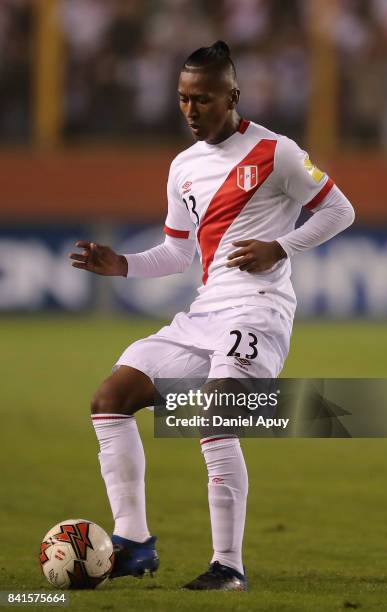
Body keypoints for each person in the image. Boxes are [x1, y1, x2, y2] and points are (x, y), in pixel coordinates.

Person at [70, 40, 355, 591]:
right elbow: (180, 251)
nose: (190, 111)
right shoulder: (183, 167)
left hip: (260, 310)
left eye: (202, 99)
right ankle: (133, 543)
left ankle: (228, 566)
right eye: (182, 99)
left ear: (233, 97)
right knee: (110, 400)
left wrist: (282, 246)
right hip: (205, 314)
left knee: (215, 418)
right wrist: (123, 263)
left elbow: (341, 210)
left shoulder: (277, 153)